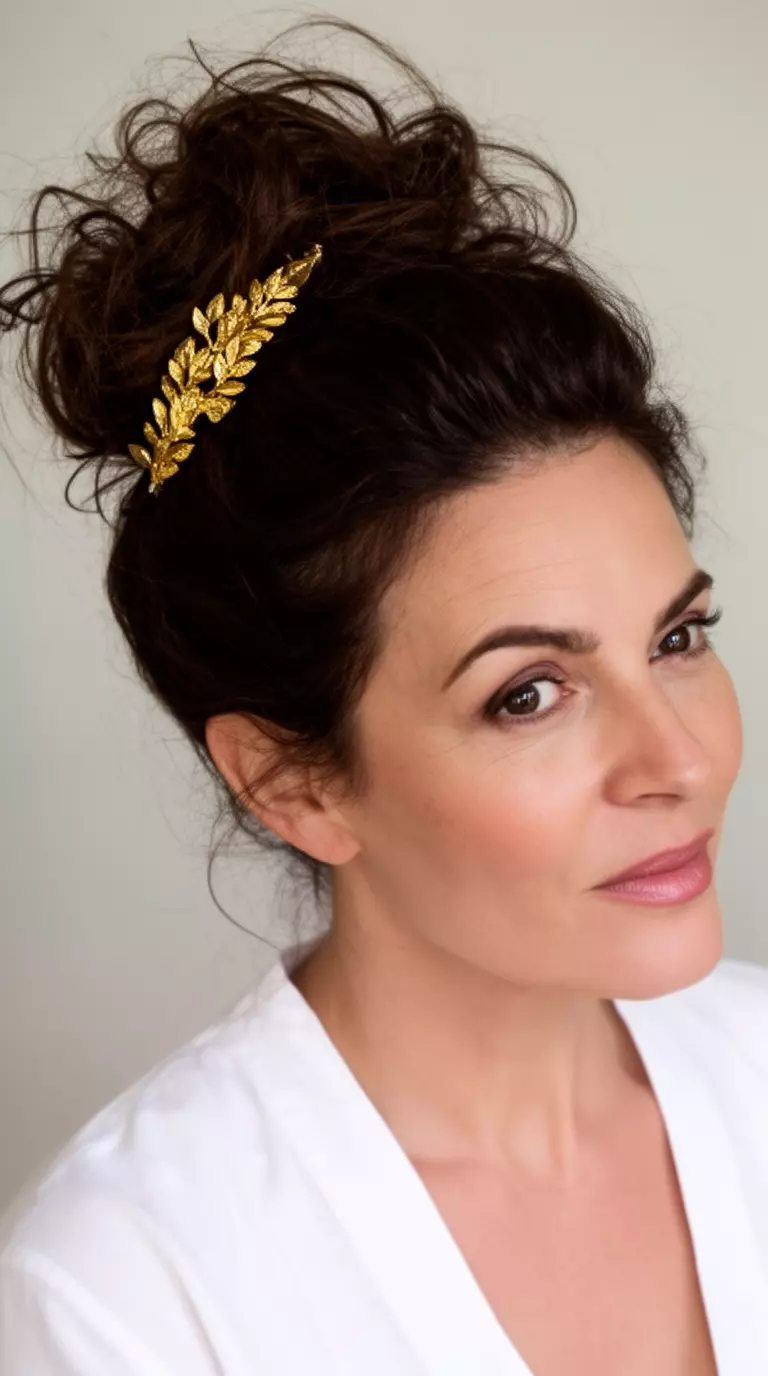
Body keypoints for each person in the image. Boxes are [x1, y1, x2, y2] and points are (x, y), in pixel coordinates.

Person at [1, 15, 766, 1375]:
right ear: (292, 779)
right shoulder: (125, 1293)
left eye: (678, 638)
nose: (681, 759)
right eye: (530, 693)